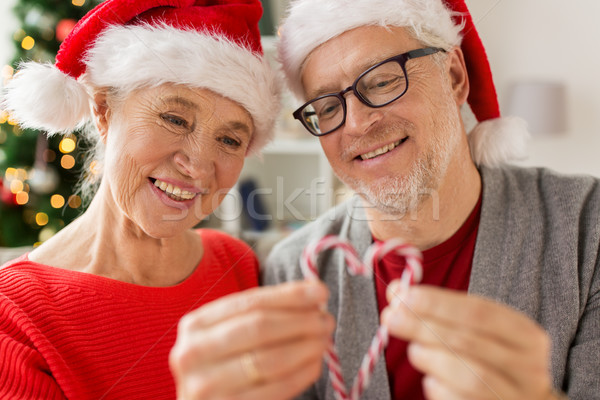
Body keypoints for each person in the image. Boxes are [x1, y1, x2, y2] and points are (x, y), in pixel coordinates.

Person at [261, 0, 599, 399]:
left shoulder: (586, 231)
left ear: (455, 76)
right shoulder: (296, 272)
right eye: (328, 106)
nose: (355, 124)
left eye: (382, 81)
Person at [0, 1, 332, 399]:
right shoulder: (15, 317)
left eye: (229, 139)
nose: (197, 166)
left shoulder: (237, 266)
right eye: (174, 119)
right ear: (103, 110)